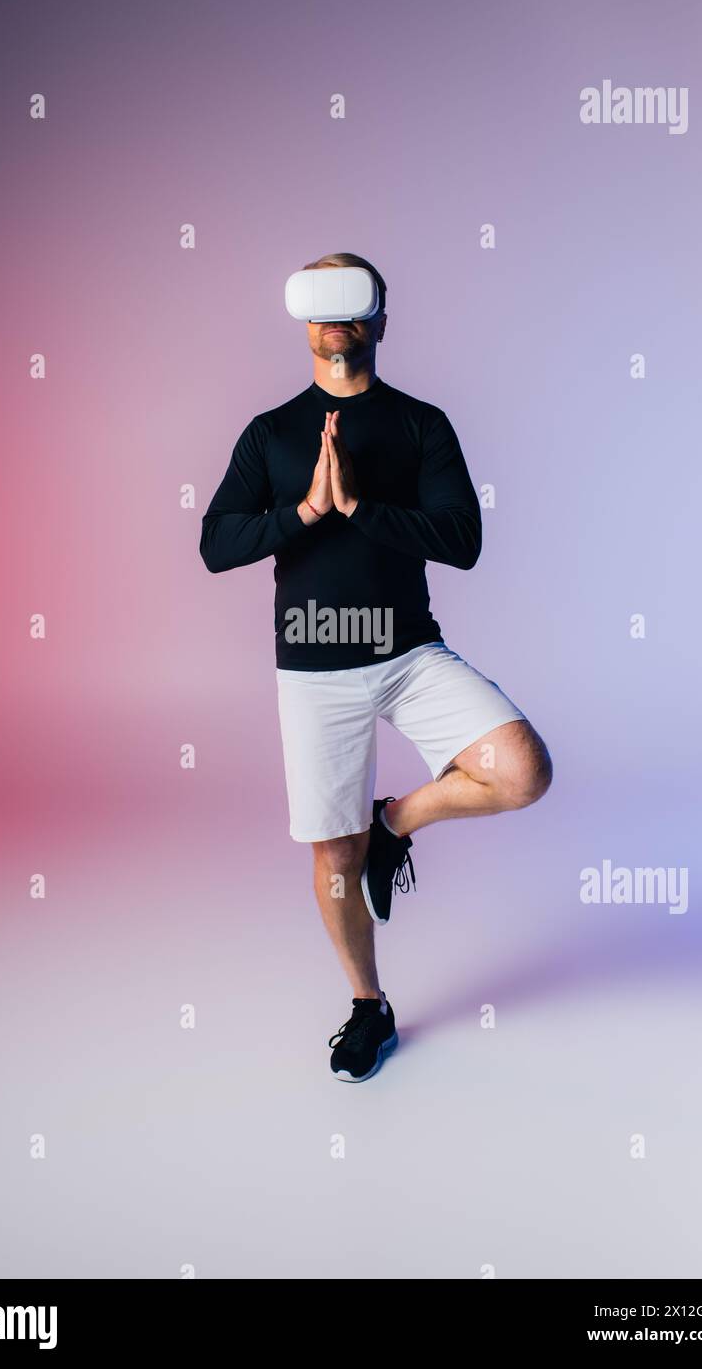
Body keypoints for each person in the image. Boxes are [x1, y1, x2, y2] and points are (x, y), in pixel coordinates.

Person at [200, 252, 552, 1082]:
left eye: (351, 302)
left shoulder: (420, 425)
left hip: (408, 652)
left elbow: (462, 541)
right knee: (335, 861)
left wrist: (361, 507)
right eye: (318, 304)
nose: (334, 319)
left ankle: (397, 822)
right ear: (303, 323)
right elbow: (216, 545)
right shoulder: (272, 433)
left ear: (380, 319)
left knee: (523, 770)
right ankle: (368, 1006)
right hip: (315, 665)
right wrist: (307, 511)